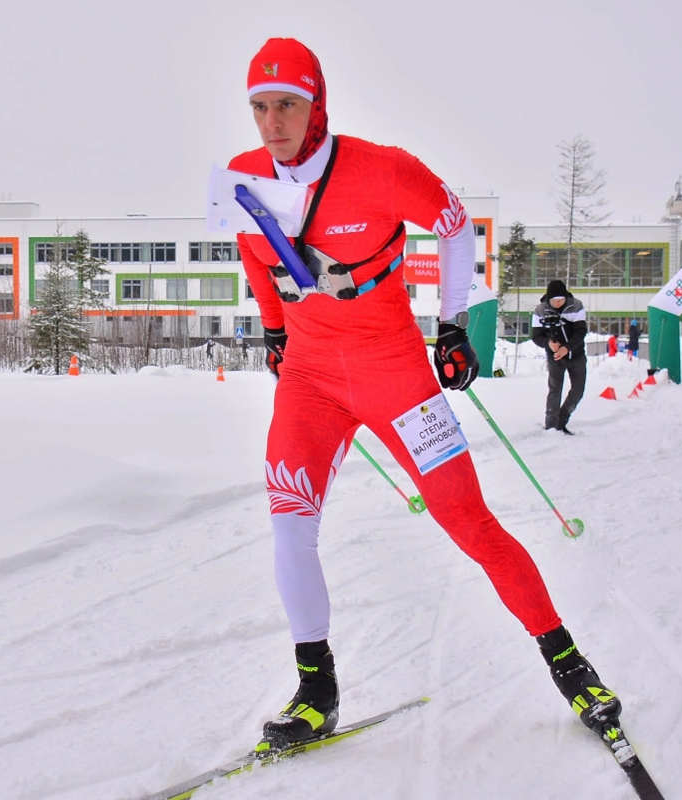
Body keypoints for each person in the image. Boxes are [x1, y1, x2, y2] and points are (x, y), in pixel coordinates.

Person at [228, 37, 619, 752]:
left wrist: (452, 325)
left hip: (395, 375)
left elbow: (454, 226)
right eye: (260, 107)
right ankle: (316, 689)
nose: (273, 122)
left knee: (468, 521)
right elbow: (253, 253)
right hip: (312, 381)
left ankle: (568, 661)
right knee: (289, 522)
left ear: (316, 106)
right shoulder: (243, 178)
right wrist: (275, 332)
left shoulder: (382, 170)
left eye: (287, 104)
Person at [530, 279, 588, 434]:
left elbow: (581, 331)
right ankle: (551, 426)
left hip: (576, 354)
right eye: (555, 300)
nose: (558, 303)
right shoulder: (540, 310)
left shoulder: (576, 306)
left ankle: (562, 420)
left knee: (578, 390)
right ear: (549, 299)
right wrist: (549, 343)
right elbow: (536, 336)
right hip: (555, 356)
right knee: (555, 389)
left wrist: (567, 348)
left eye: (561, 299)